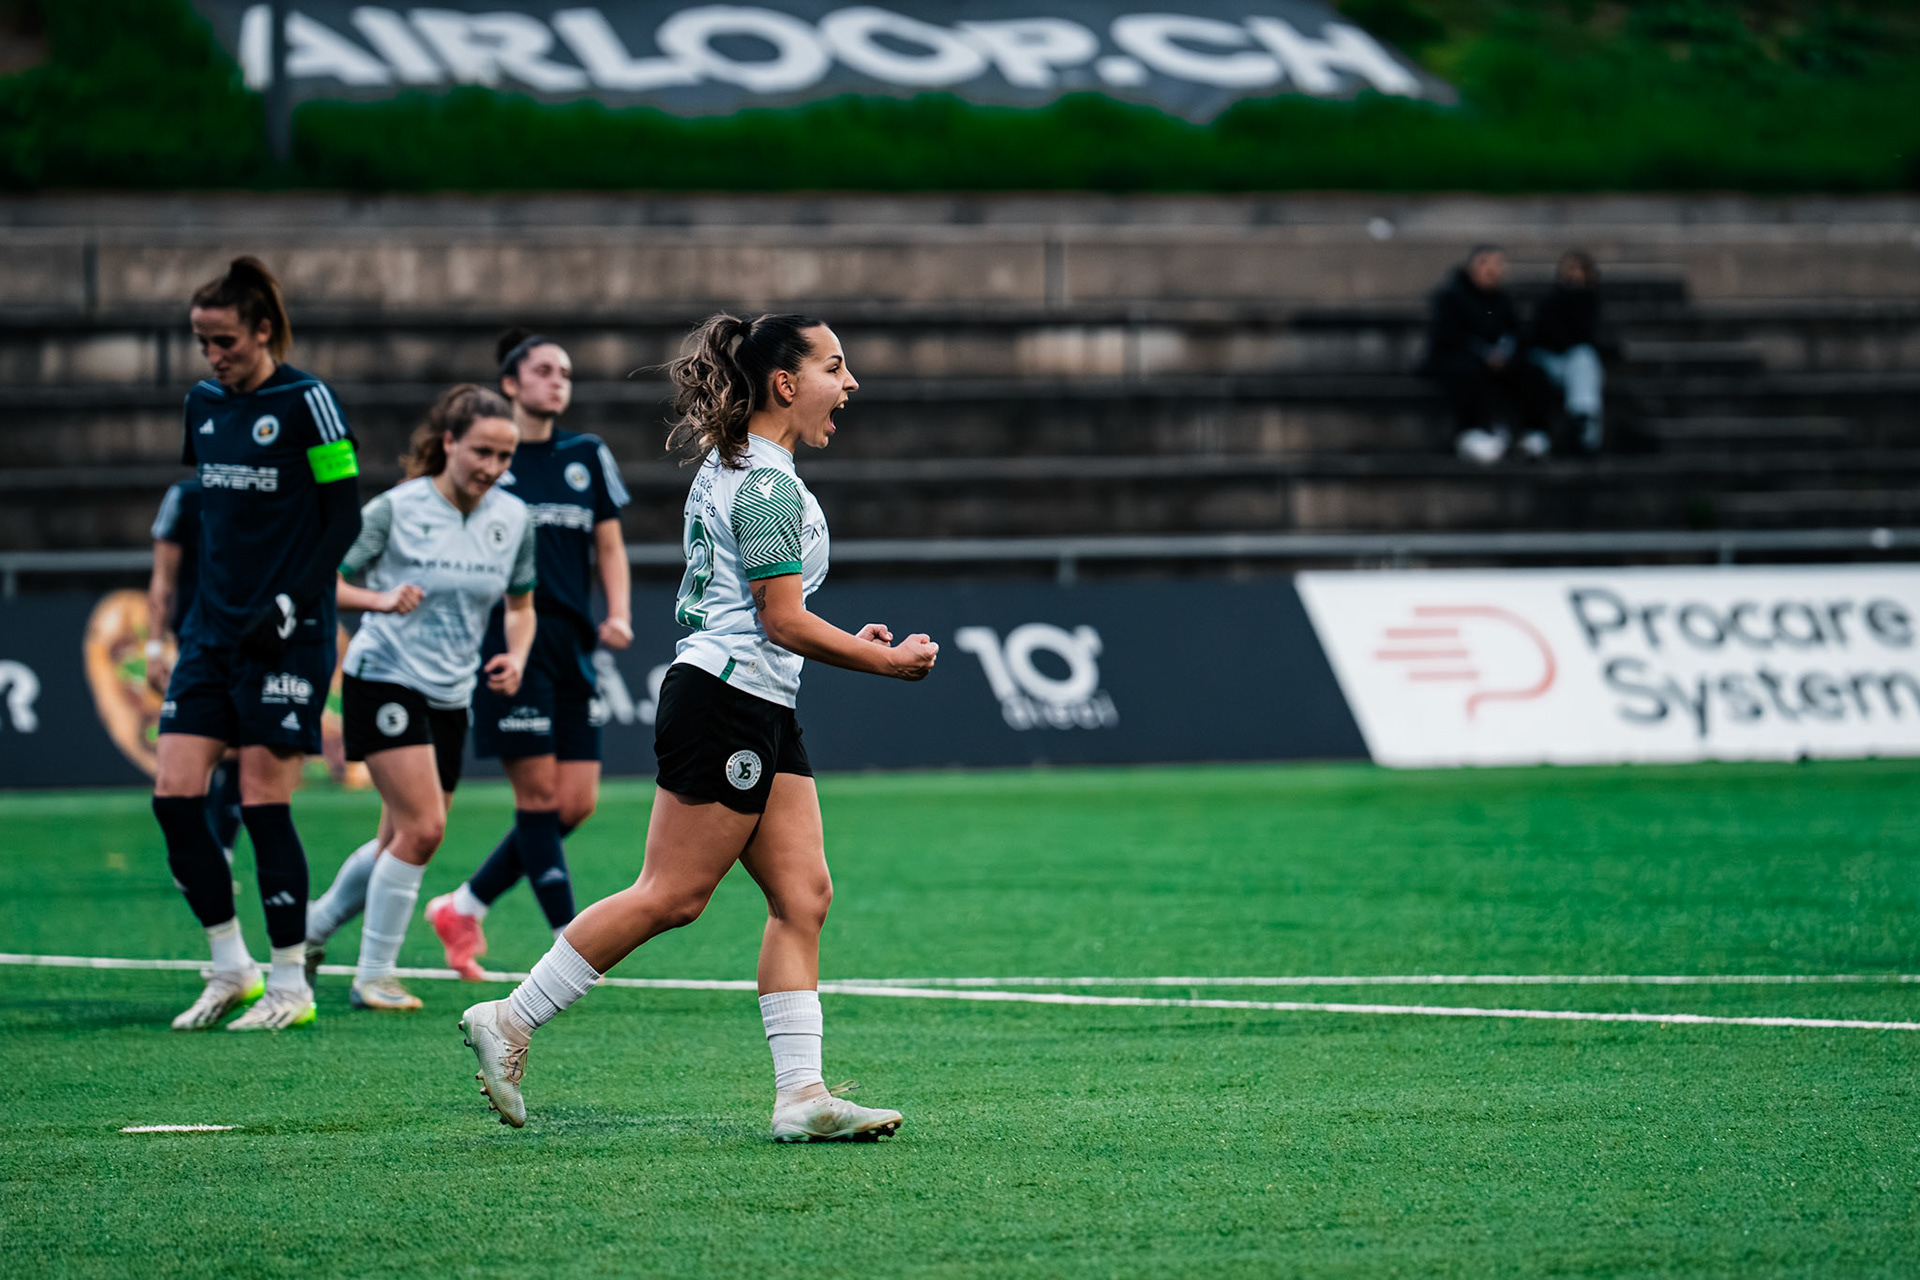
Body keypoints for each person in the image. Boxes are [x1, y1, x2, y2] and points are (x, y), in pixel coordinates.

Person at [458, 313, 939, 1142]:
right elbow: (780, 619)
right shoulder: (764, 482)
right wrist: (883, 665)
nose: (849, 383)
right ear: (785, 383)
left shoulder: (751, 467)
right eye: (835, 366)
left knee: (803, 895)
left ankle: (801, 1097)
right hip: (727, 699)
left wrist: (842, 640)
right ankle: (510, 1017)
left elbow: (772, 615)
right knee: (673, 895)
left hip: (757, 697)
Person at [152, 255, 362, 1032]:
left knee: (263, 805)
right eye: (203, 342)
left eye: (225, 340)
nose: (213, 356)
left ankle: (289, 984)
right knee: (175, 801)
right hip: (212, 633)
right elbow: (210, 512)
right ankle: (229, 965)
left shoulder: (309, 401)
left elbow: (344, 517)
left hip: (289, 633)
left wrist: (286, 599)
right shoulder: (203, 404)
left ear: (263, 331)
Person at [303, 385, 538, 1011]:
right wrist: (379, 599)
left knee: (395, 841)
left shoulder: (514, 519)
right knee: (424, 829)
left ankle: (310, 931)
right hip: (383, 674)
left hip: (451, 694)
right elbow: (322, 583)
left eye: (505, 456)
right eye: (481, 451)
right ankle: (373, 975)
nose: (492, 467)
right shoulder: (394, 510)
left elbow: (521, 606)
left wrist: (515, 656)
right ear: (448, 444)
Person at [421, 331, 631, 979]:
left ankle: (465, 905)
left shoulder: (586, 455)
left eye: (564, 371)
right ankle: (570, 947)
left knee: (576, 802)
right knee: (538, 798)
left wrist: (617, 613)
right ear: (510, 384)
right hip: (505, 646)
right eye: (543, 370)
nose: (557, 381)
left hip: (573, 645)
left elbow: (610, 546)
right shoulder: (488, 461)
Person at [148, 477, 243, 870]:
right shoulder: (185, 497)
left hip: (253, 641)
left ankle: (220, 851)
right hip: (196, 642)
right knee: (197, 752)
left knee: (240, 751)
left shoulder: (260, 487)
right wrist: (154, 648)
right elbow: (163, 579)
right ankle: (202, 850)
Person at [1418, 244, 1550, 464]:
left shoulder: (1502, 299)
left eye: (1497, 265)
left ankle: (1532, 433)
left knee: (1531, 371)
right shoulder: (1451, 295)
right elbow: (1447, 337)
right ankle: (1472, 433)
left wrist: (1504, 352)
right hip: (1457, 360)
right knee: (1468, 373)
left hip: (1496, 362)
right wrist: (1483, 353)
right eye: (1485, 263)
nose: (1491, 270)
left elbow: (1515, 333)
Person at [1529, 250, 1612, 454]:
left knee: (1583, 358)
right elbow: (1543, 336)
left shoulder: (1594, 305)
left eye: (1579, 270)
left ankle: (1583, 421)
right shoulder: (1549, 303)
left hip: (1577, 364)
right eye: (1569, 270)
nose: (1573, 276)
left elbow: (1600, 340)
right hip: (1549, 361)